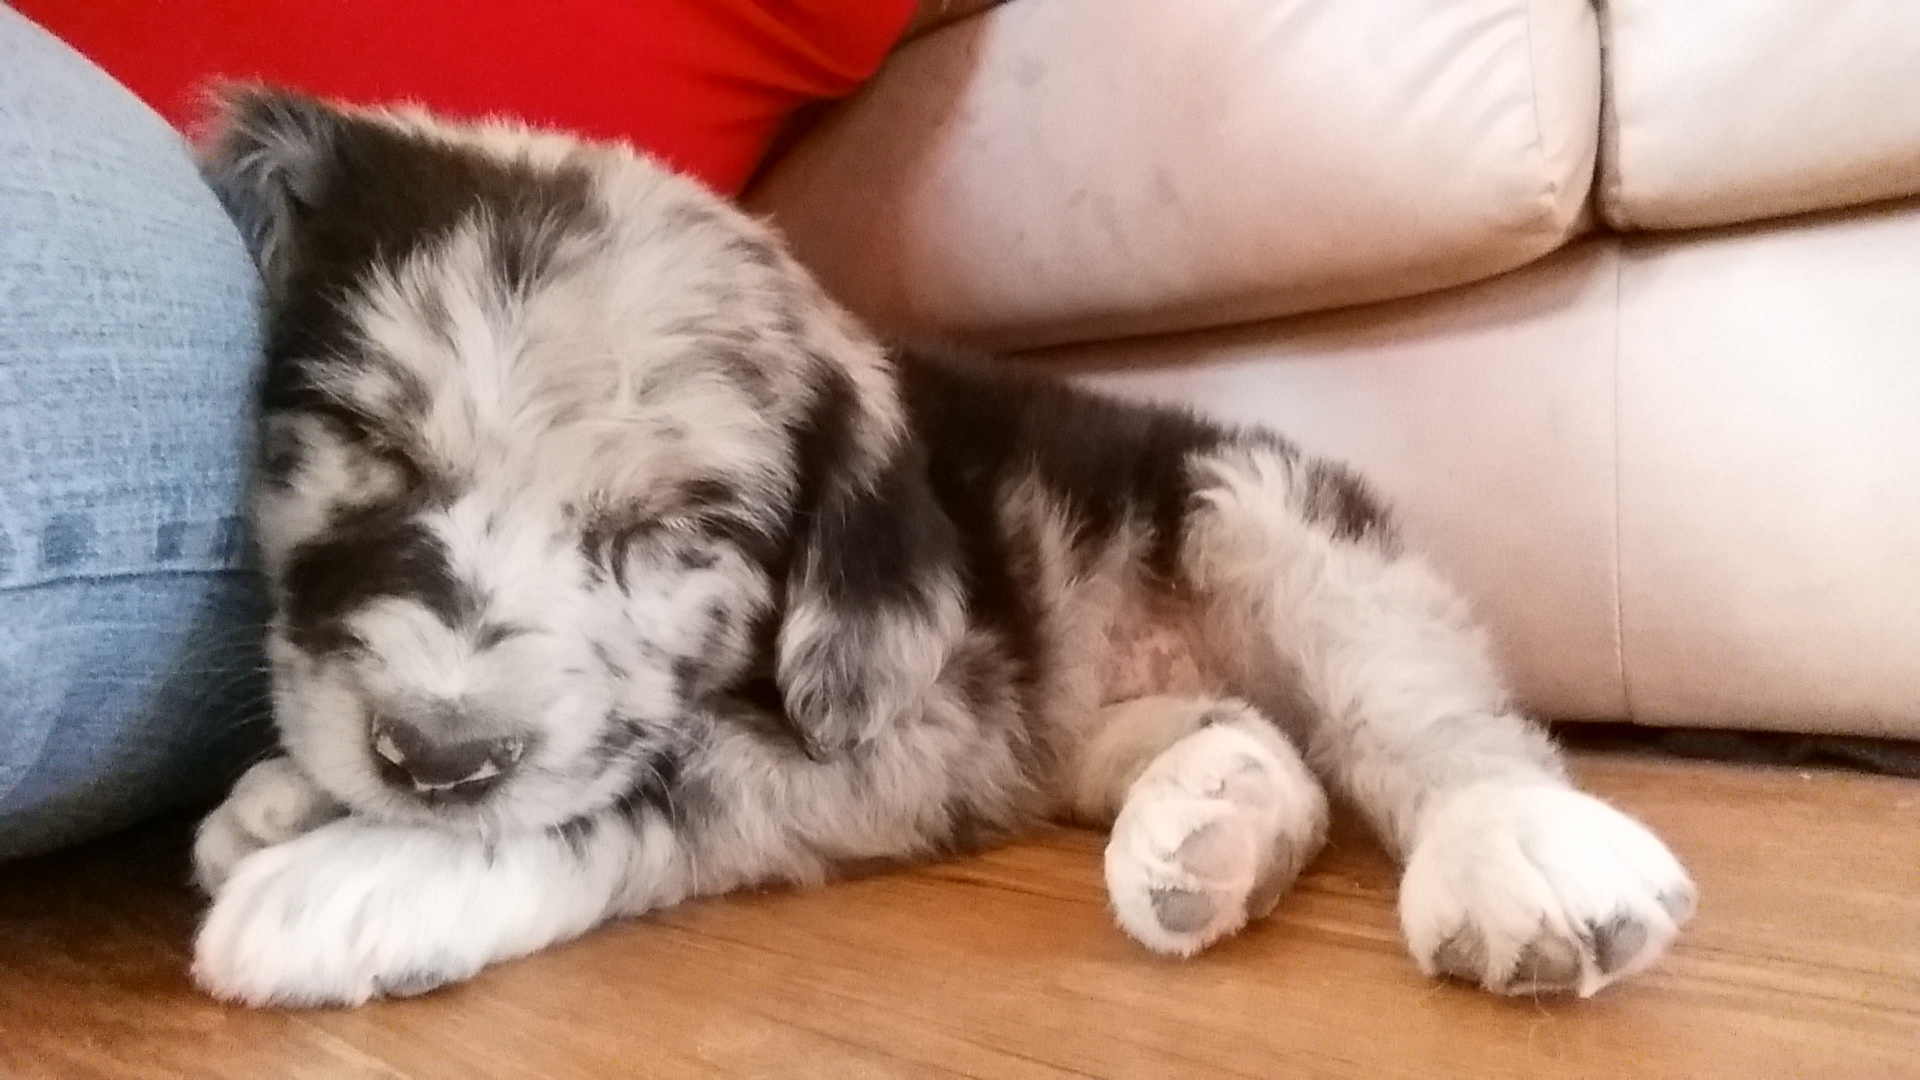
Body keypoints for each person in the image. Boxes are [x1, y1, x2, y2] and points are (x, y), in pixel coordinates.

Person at [0, 2, 917, 859]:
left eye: (658, 533)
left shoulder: (830, 440)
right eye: (383, 452)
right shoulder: (283, 207)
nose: (446, 704)